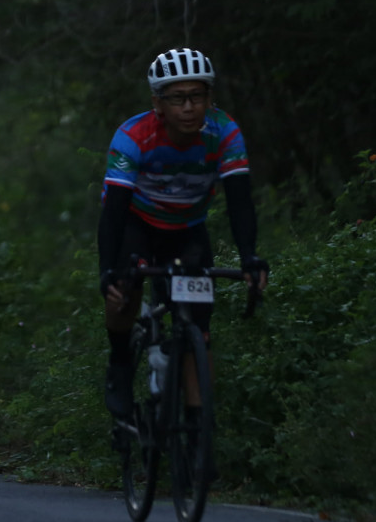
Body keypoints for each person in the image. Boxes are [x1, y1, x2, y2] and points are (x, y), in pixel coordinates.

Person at [98, 47, 269, 434]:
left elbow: (240, 201)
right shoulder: (133, 136)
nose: (189, 107)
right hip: (137, 222)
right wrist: (107, 270)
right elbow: (114, 212)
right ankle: (120, 361)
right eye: (178, 98)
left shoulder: (224, 133)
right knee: (124, 289)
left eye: (197, 96)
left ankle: (196, 427)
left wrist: (249, 257)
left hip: (187, 229)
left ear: (210, 98)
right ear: (157, 103)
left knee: (198, 328)